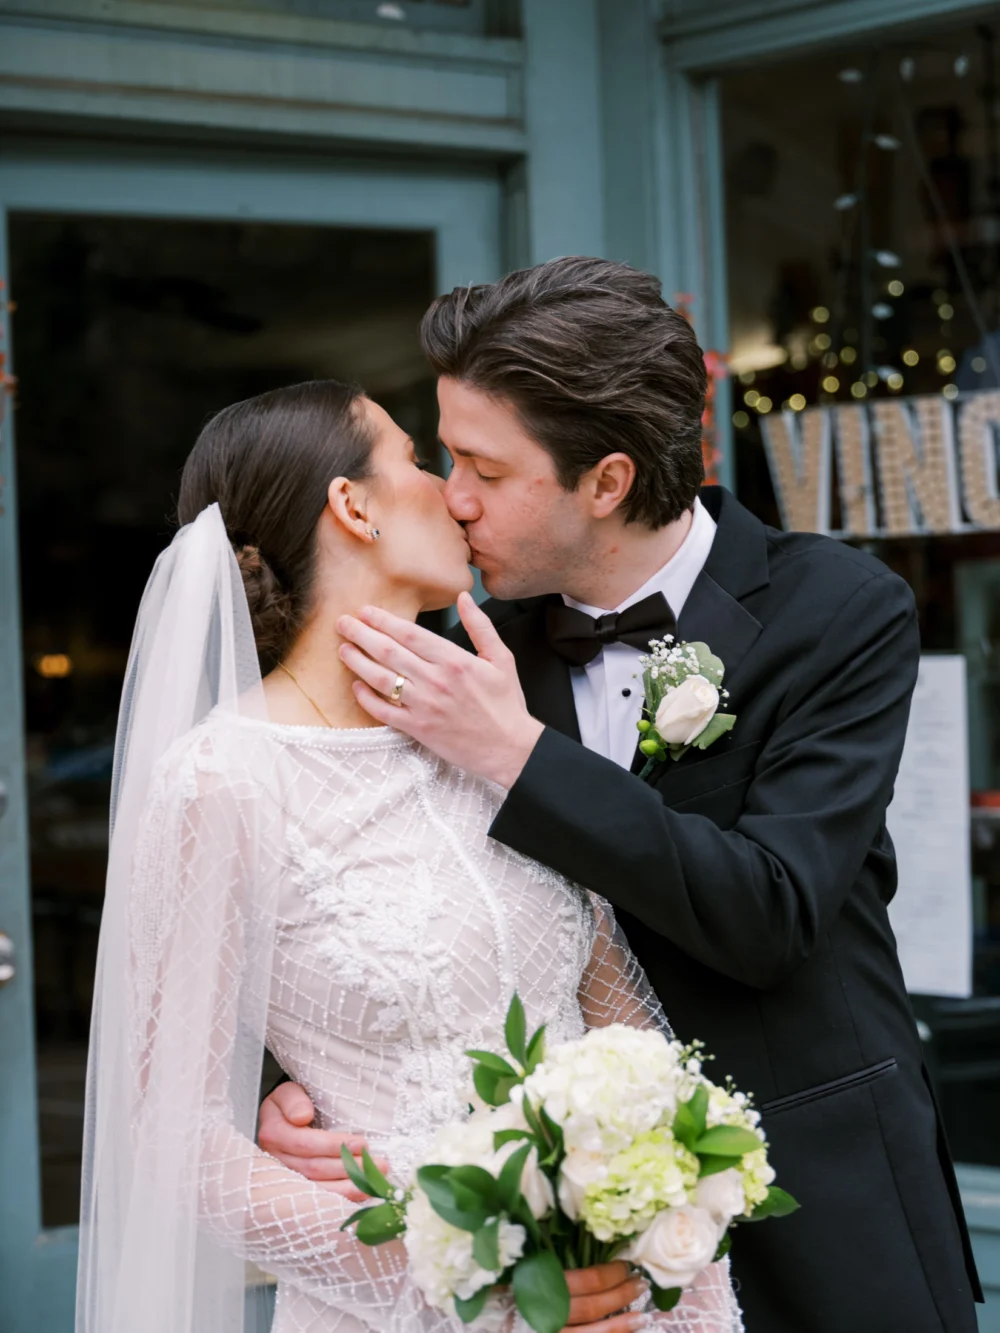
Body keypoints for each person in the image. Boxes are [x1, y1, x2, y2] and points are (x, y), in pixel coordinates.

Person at [259, 258, 983, 1333]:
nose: (452, 498)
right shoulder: (471, 648)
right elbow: (359, 879)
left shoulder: (839, 611)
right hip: (571, 1255)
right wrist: (298, 1082)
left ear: (603, 482)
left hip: (826, 1219)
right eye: (446, 454)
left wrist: (517, 754)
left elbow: (771, 912)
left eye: (484, 470)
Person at [77, 378, 742, 1333]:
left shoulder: (488, 726)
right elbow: (176, 1143)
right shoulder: (223, 779)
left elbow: (621, 1022)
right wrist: (484, 1270)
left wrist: (658, 1202)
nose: (457, 493)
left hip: (630, 1299)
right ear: (353, 507)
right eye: (421, 462)